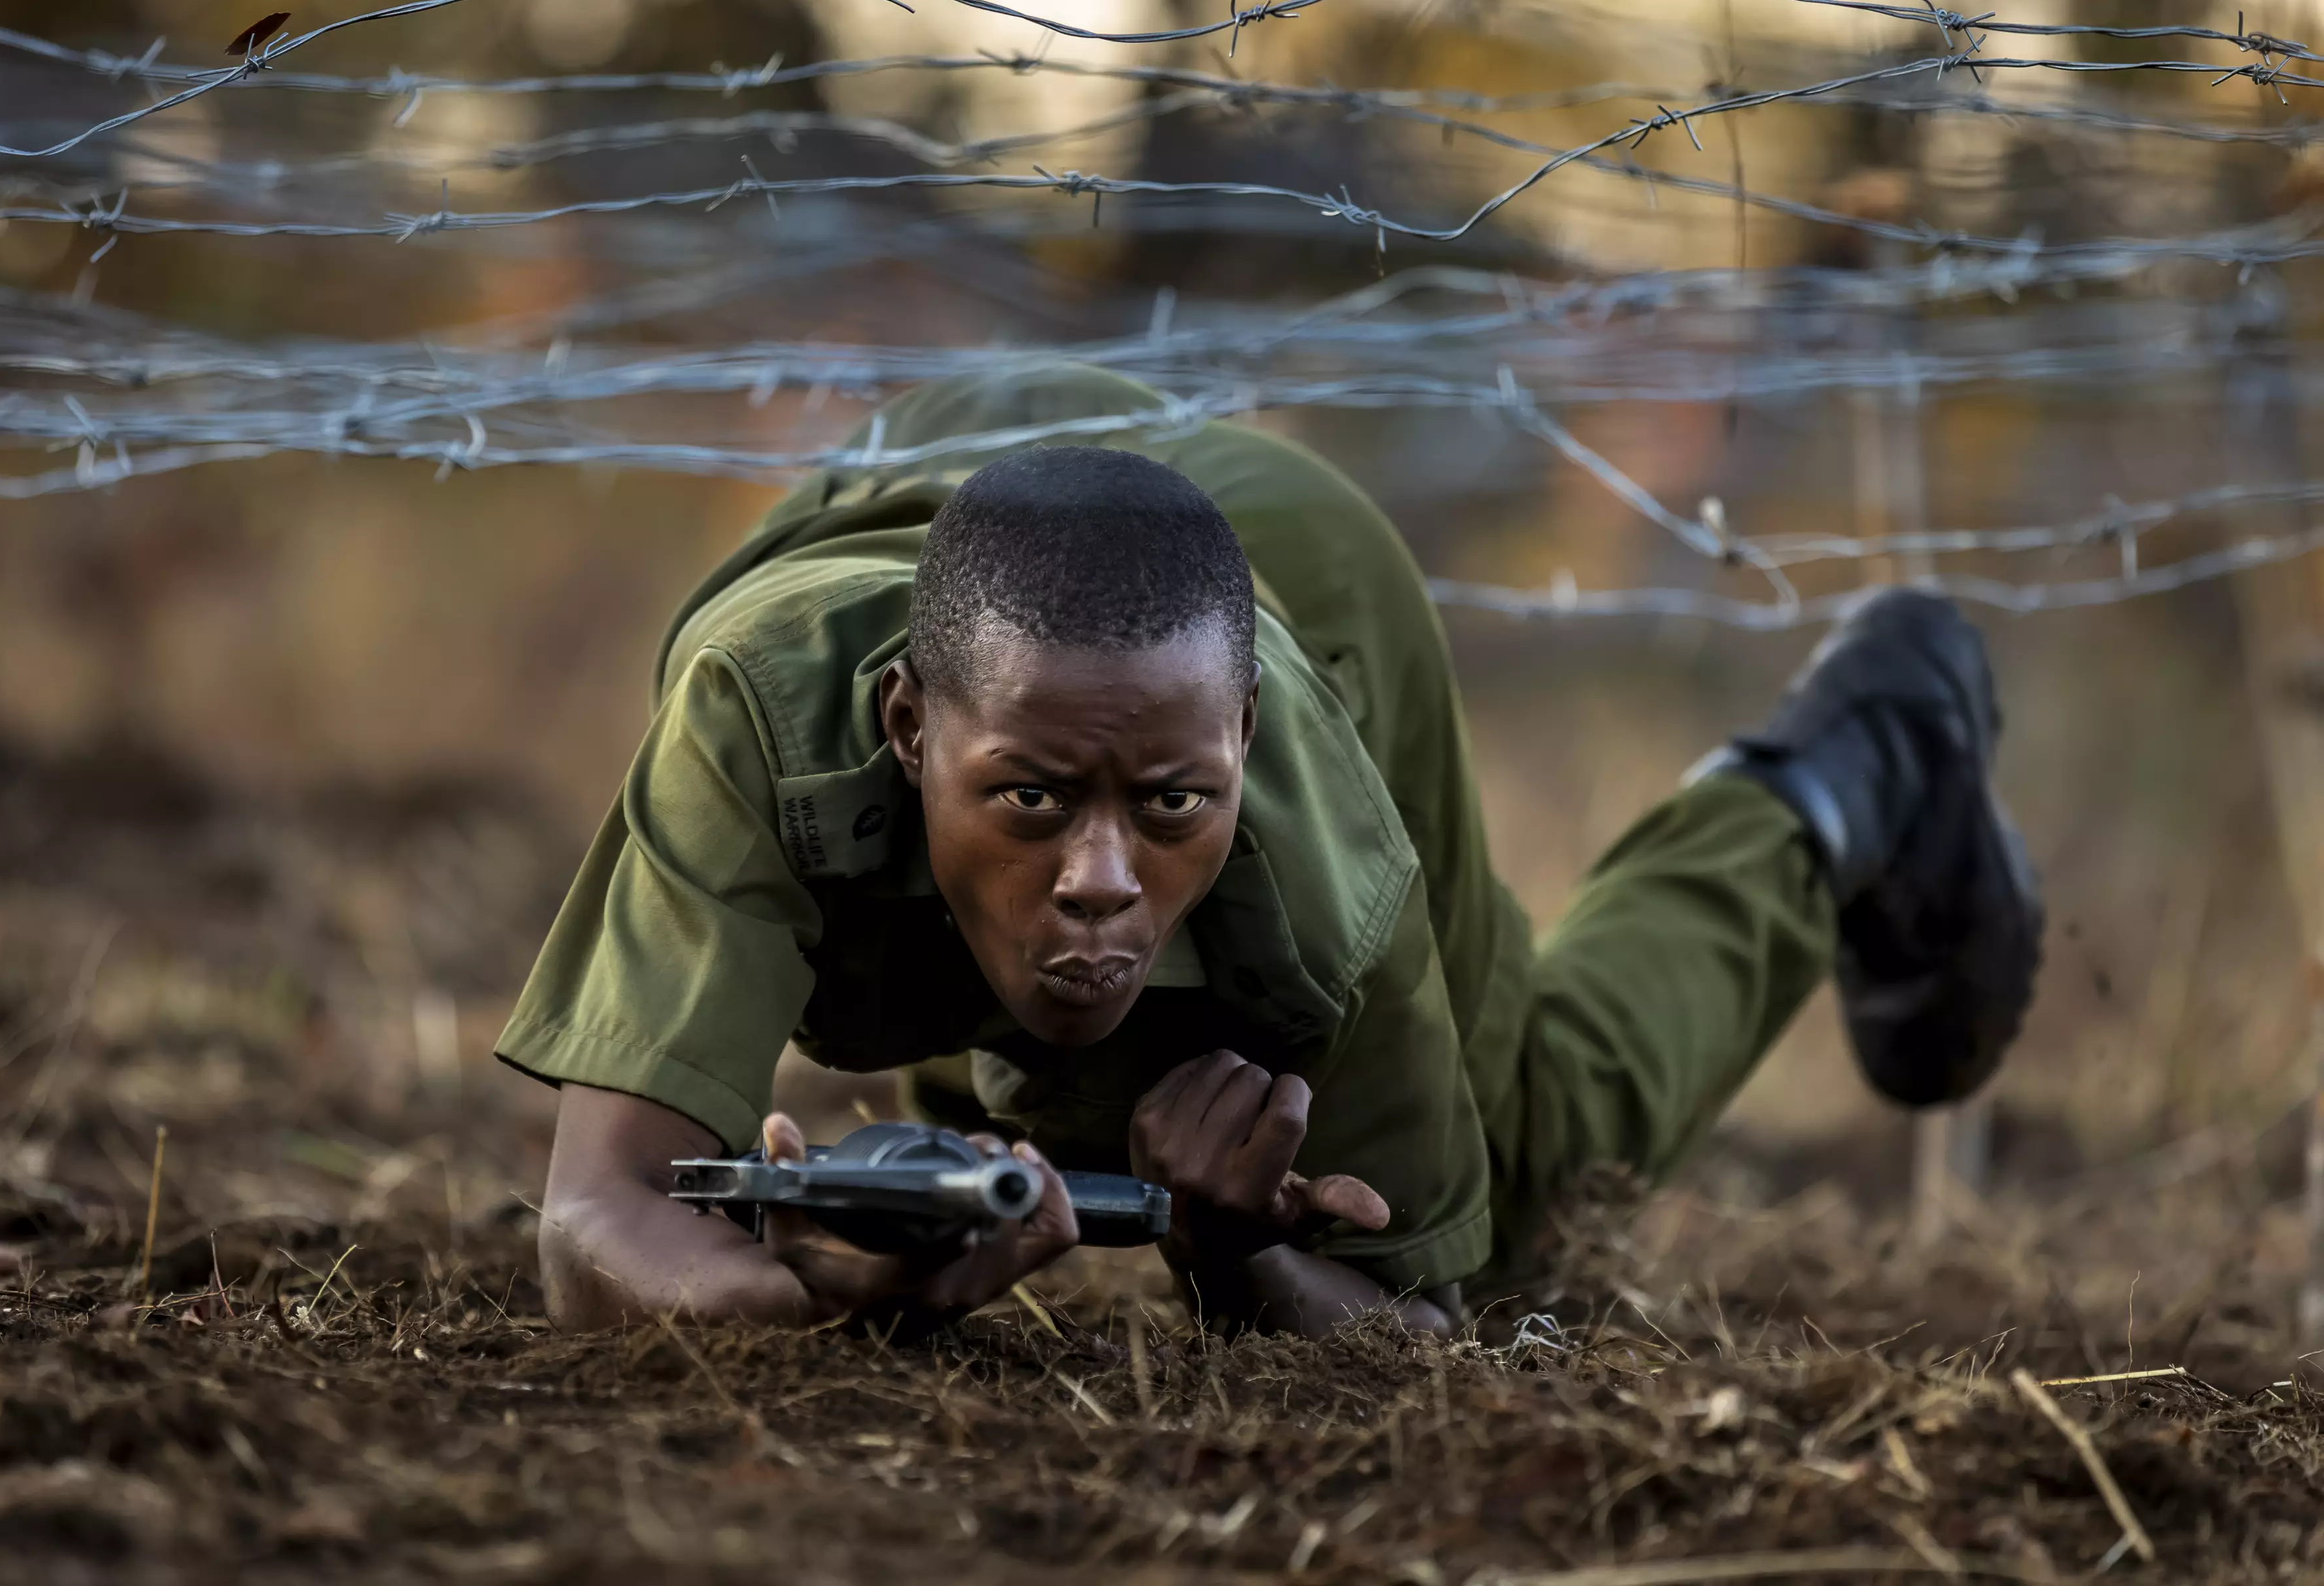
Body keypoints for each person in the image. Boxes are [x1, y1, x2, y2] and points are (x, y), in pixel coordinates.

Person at [497, 363, 2042, 1337]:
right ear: (905, 727)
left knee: (1538, 1182)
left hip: (1282, 558)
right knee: (1057, 1031)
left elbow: (1424, 1325)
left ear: (1239, 745)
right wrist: (842, 1278)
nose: (1105, 873)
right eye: (1035, 800)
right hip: (992, 508)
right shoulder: (760, 727)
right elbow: (595, 1224)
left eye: (1168, 808)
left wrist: (1234, 1256)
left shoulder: (1321, 878)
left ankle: (1847, 766)